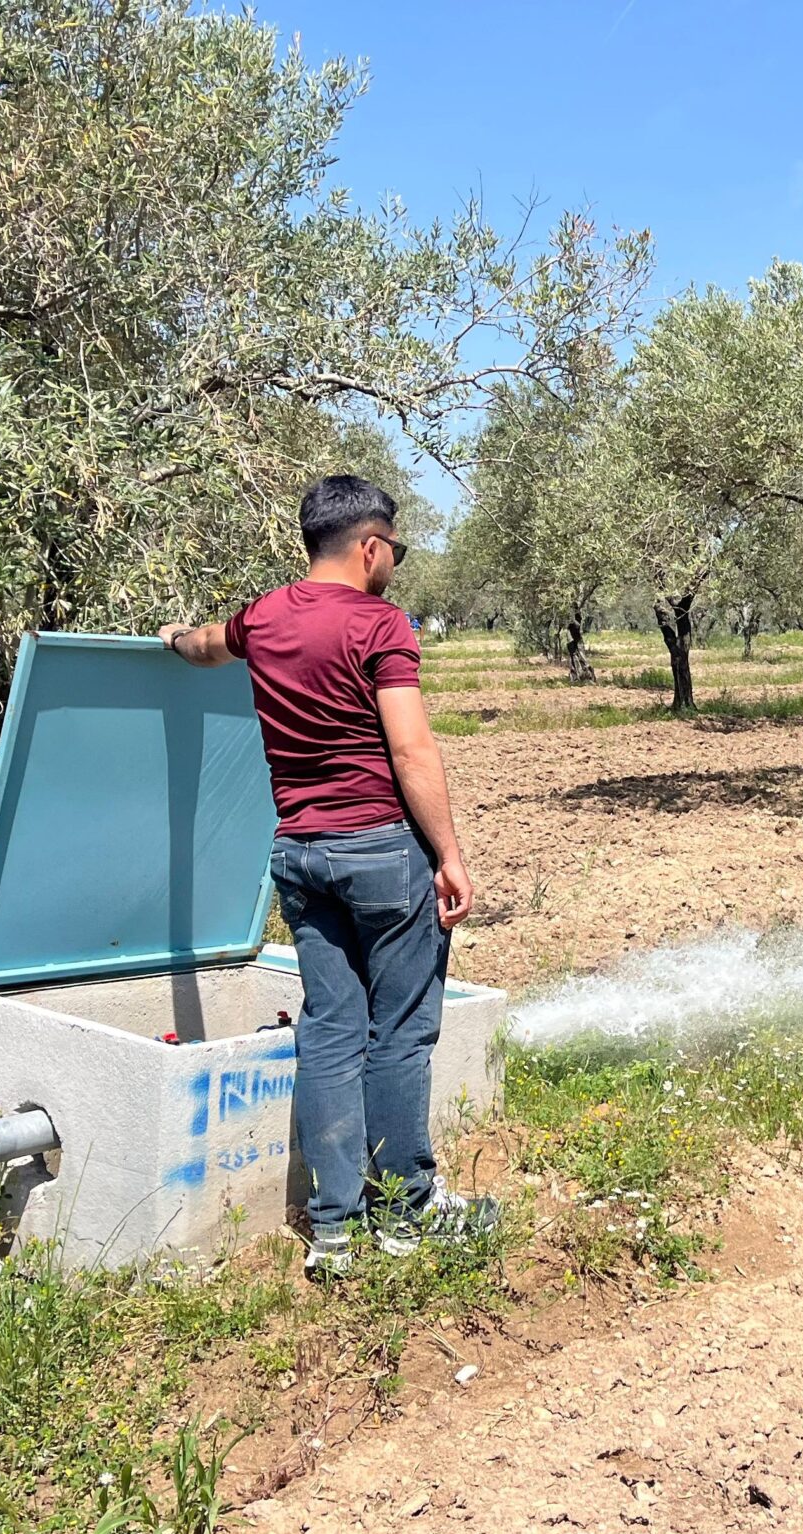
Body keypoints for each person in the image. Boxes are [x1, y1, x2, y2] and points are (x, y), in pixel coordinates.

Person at [160, 475, 497, 1277]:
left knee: (331, 1030)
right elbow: (412, 749)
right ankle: (407, 1211)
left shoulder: (264, 615)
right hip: (380, 850)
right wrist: (449, 853)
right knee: (402, 1031)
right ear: (370, 546)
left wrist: (171, 636)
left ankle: (335, 1226)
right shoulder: (381, 624)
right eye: (396, 551)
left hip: (300, 856)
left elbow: (206, 643)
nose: (394, 566)